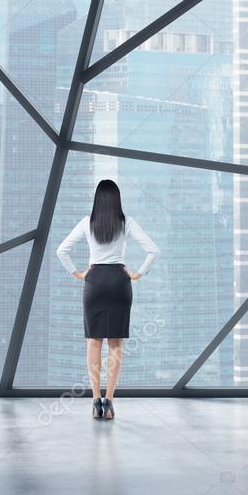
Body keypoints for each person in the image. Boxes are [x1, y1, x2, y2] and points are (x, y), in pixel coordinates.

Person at [56, 179, 160, 420]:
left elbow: (61, 250)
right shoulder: (127, 223)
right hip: (118, 282)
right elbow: (153, 250)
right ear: (117, 200)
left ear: (97, 200)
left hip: (94, 282)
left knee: (94, 343)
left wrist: (78, 273)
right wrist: (137, 274)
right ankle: (109, 403)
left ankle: (95, 401)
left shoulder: (87, 223)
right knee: (115, 345)